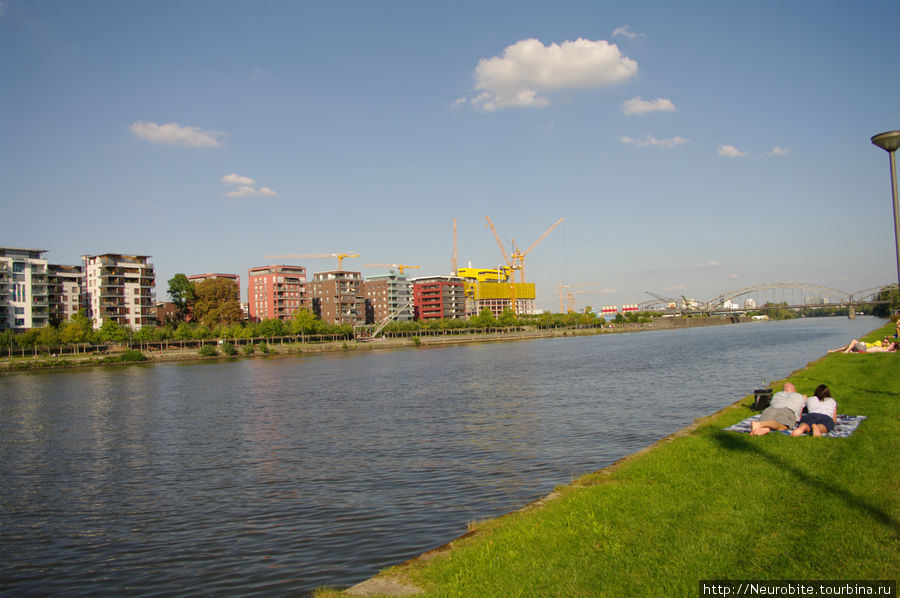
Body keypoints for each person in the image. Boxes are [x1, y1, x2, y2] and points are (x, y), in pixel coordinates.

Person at [827, 339, 898, 353]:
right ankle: (833, 351)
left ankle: (846, 351)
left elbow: (889, 349)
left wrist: (890, 345)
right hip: (864, 347)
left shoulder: (884, 347)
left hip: (864, 348)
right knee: (846, 347)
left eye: (885, 342)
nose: (884, 341)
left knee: (854, 341)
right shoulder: (882, 345)